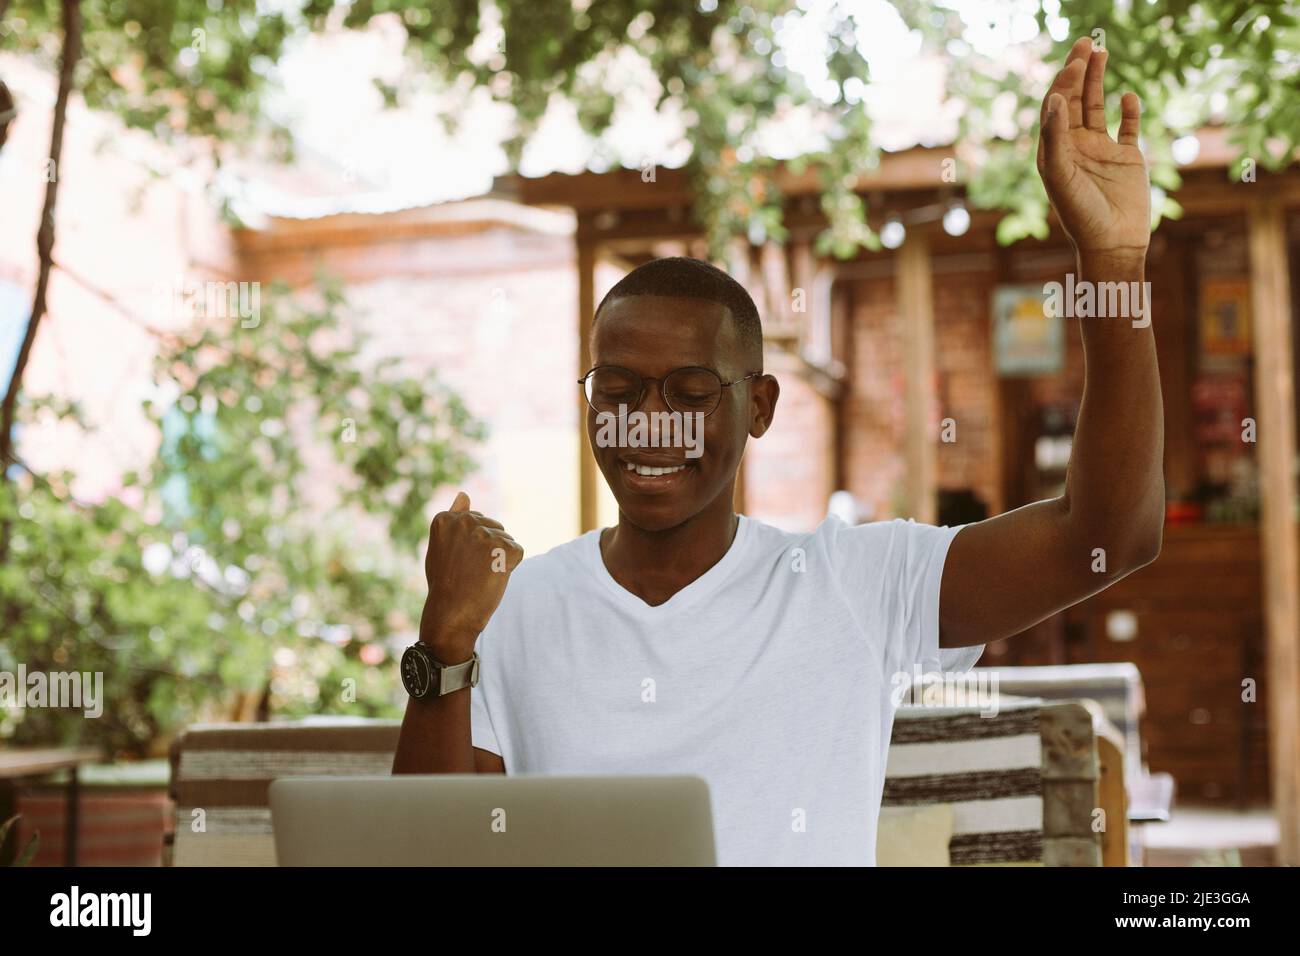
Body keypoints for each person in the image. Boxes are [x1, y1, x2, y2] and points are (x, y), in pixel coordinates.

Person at [392, 36, 1164, 866]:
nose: (649, 421)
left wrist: (1112, 263)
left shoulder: (856, 586)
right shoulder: (516, 608)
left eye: (690, 392)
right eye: (616, 390)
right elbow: (433, 856)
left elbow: (1107, 537)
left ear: (758, 407)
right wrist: (445, 644)